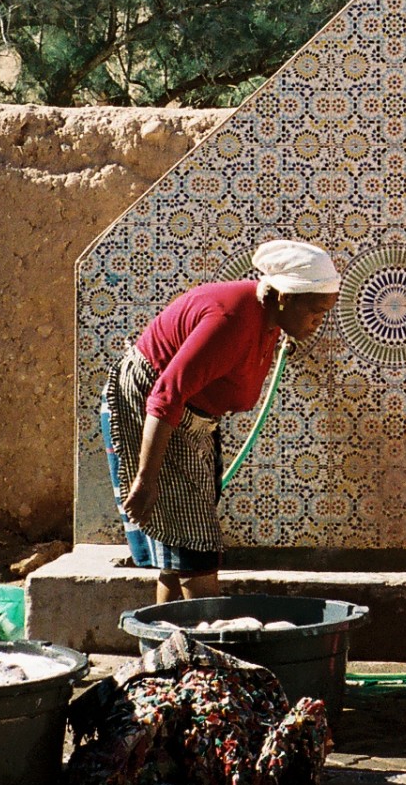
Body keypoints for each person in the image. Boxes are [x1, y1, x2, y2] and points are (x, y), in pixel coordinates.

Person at [105, 239, 340, 603]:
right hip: (153, 406)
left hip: (192, 418)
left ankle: (167, 650)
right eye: (314, 310)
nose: (318, 321)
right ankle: (206, 647)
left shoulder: (269, 319)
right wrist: (145, 480)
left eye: (325, 311)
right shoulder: (230, 321)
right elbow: (165, 395)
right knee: (194, 546)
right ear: (284, 297)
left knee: (179, 546)